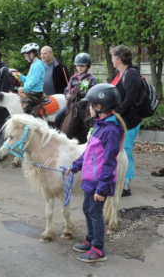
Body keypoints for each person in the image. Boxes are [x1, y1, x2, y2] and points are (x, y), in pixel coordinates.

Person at [64, 83, 126, 263]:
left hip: (100, 182)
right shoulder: (99, 125)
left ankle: (99, 249)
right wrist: (74, 166)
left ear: (100, 107)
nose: (88, 108)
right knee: (87, 209)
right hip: (90, 179)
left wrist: (102, 188)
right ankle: (91, 240)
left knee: (95, 213)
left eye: (90, 104)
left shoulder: (111, 130)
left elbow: (109, 162)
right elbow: (89, 152)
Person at [110, 45, 142, 197]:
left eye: (113, 57)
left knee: (126, 149)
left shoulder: (131, 75)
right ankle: (118, 178)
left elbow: (129, 100)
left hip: (130, 121)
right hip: (122, 119)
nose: (111, 59)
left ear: (119, 60)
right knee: (120, 149)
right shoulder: (119, 73)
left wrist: (115, 112)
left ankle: (126, 184)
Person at [55, 53, 97, 128]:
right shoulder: (73, 78)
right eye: (78, 66)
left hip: (85, 105)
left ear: (87, 66)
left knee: (94, 118)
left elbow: (94, 92)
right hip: (72, 104)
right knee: (58, 116)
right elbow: (66, 90)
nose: (79, 68)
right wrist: (68, 95)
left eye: (82, 66)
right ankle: (58, 131)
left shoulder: (91, 79)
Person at [15, 43, 47, 115]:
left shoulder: (37, 65)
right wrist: (21, 77)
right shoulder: (34, 64)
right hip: (31, 90)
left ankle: (37, 121)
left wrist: (24, 88)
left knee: (25, 109)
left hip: (35, 92)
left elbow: (34, 81)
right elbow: (29, 79)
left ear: (31, 54)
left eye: (26, 56)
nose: (25, 58)